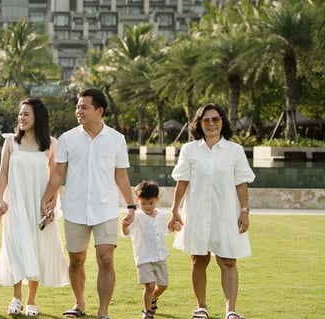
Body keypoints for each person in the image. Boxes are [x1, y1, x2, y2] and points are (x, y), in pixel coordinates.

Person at [41, 88, 136, 319]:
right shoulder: (67, 138)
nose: (78, 111)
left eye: (84, 107)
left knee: (106, 257)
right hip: (74, 209)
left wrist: (131, 205)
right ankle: (79, 304)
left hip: (105, 209)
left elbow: (121, 175)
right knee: (76, 260)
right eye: (77, 106)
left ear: (99, 110)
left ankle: (103, 312)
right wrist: (45, 199)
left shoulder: (116, 139)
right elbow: (58, 173)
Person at [168, 103, 255, 319]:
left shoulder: (235, 150)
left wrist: (244, 211)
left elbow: (241, 182)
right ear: (198, 124)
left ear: (222, 122)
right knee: (199, 259)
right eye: (205, 120)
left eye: (215, 119)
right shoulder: (189, 150)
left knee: (228, 261)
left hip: (226, 213)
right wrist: (175, 210)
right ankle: (201, 307)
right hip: (196, 212)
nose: (211, 124)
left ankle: (231, 311)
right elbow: (182, 181)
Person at [0, 98, 69, 317]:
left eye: (26, 114)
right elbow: (3, 172)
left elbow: (55, 177)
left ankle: (31, 301)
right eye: (20, 114)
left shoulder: (51, 144)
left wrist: (52, 203)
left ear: (38, 117)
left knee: (37, 249)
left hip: (39, 205)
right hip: (15, 204)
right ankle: (16, 298)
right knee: (16, 248)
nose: (21, 118)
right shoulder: (10, 143)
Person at [121, 181, 181, 319]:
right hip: (144, 258)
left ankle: (152, 299)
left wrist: (174, 228)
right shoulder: (135, 216)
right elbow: (125, 233)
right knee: (149, 285)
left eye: (151, 203)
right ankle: (147, 312)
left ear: (157, 200)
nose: (147, 207)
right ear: (137, 201)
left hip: (160, 257)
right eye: (143, 204)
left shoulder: (161, 215)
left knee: (163, 285)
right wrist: (124, 225)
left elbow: (164, 231)